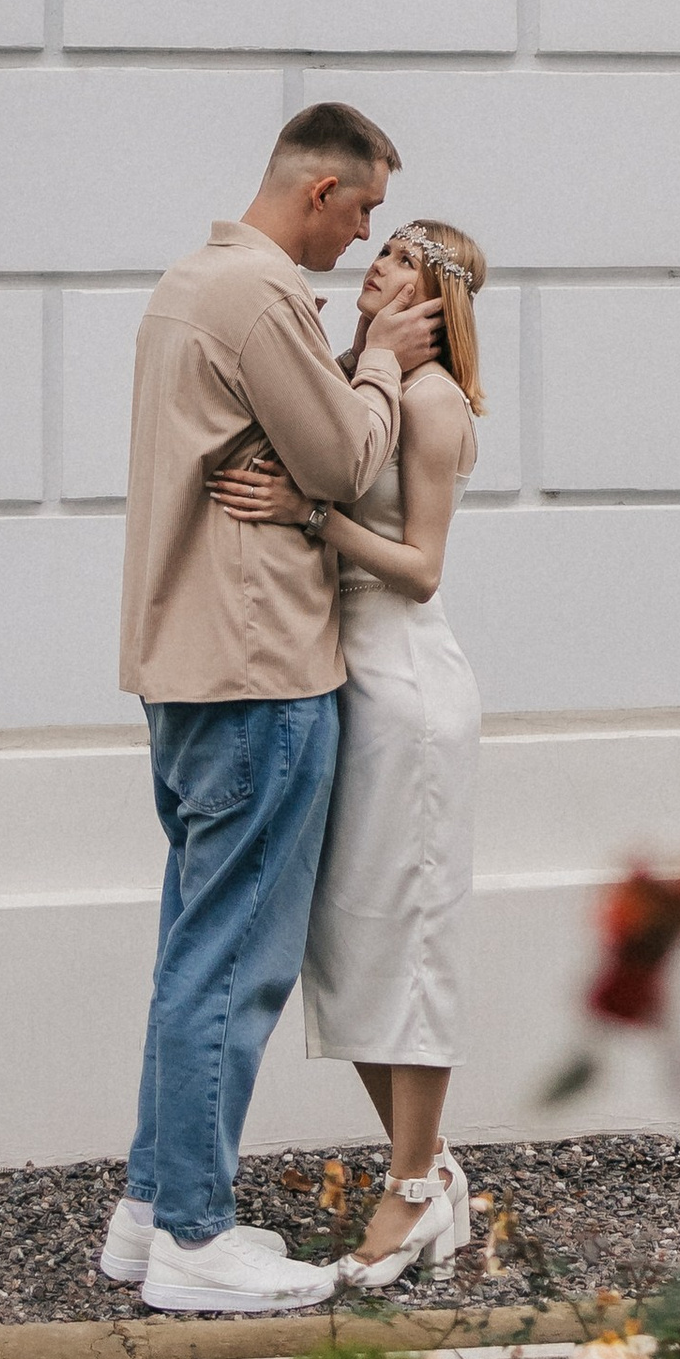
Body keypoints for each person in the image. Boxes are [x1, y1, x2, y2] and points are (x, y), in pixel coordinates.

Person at [98, 102, 441, 1317]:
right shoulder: (258, 294)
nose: (364, 241)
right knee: (235, 963)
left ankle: (150, 1210)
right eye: (364, 211)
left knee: (194, 948)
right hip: (260, 671)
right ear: (319, 191)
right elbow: (344, 461)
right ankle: (195, 1236)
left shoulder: (188, 285)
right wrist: (383, 359)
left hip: (189, 667)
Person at [213, 220, 486, 1291]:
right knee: (353, 939)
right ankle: (432, 1169)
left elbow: (421, 567)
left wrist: (312, 515)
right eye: (382, 252)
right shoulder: (364, 378)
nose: (379, 266)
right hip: (349, 683)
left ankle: (412, 1188)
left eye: (404, 261)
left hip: (407, 687)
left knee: (408, 939)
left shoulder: (433, 401)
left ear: (437, 299)